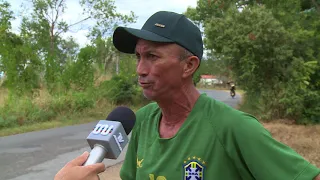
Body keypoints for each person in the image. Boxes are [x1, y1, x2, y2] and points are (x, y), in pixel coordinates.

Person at [55, 11, 320, 180]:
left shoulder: (233, 127)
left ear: (189, 66)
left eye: (152, 56)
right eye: (138, 56)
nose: (140, 69)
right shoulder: (143, 120)